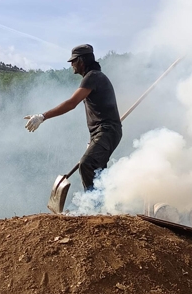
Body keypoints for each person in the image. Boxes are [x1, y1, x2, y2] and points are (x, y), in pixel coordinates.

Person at [24, 44, 122, 190]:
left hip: (107, 131)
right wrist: (93, 140)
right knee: (98, 172)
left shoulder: (92, 76)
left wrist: (42, 116)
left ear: (81, 61)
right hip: (105, 132)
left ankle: (93, 203)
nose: (71, 65)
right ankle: (105, 202)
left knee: (87, 164)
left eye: (73, 61)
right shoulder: (95, 77)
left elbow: (71, 103)